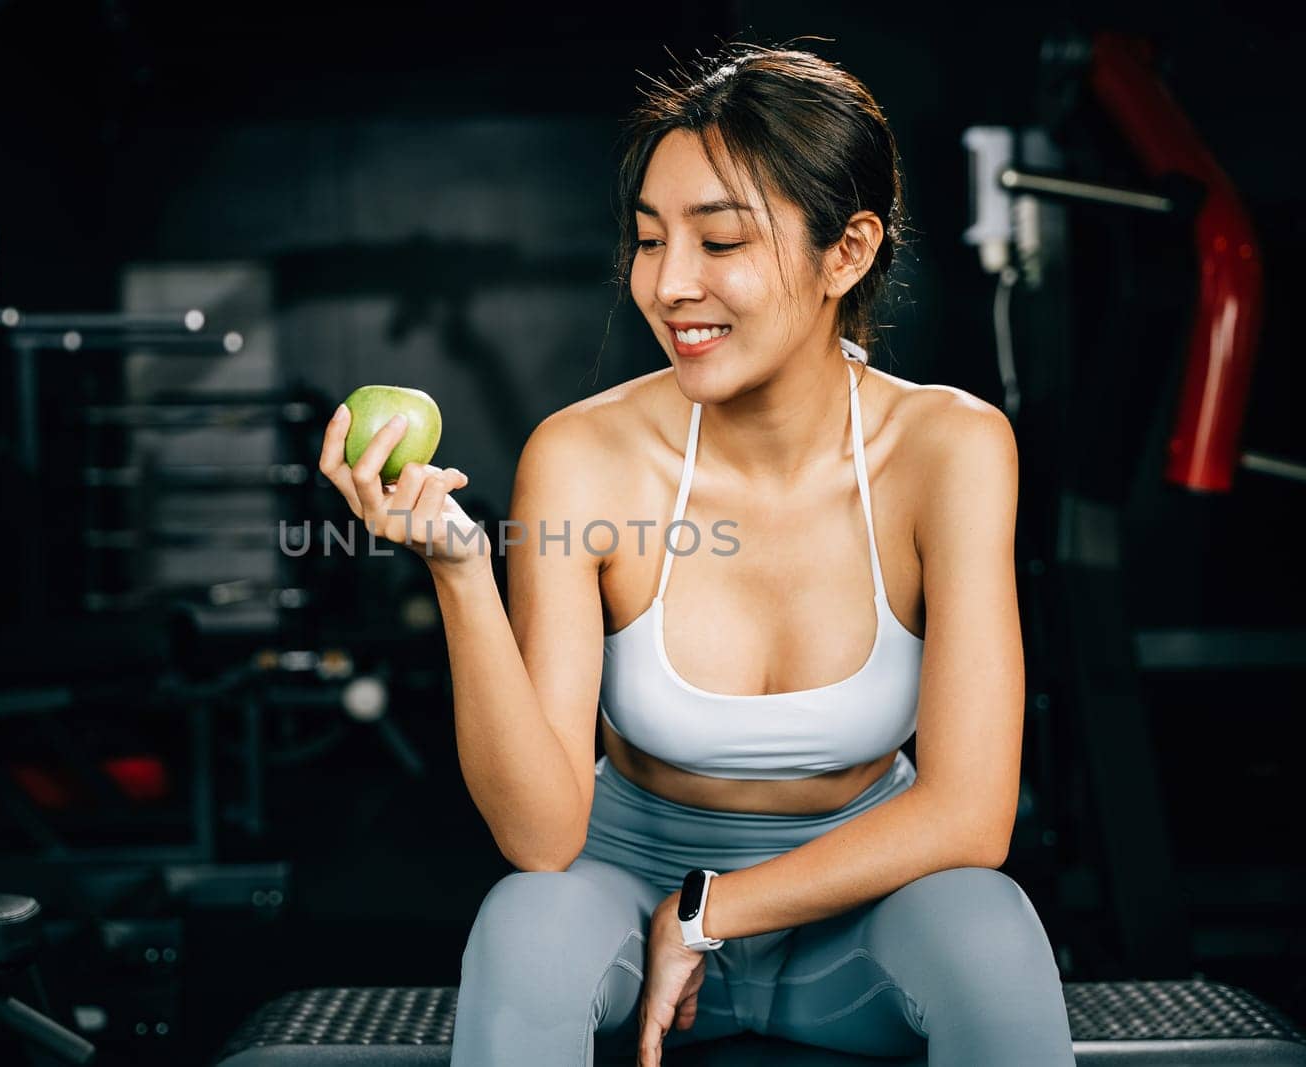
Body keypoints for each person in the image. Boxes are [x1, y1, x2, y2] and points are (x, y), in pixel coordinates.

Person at [317, 40, 1075, 1067]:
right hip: (623, 898)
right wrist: (459, 571)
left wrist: (714, 909)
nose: (670, 284)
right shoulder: (583, 453)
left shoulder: (952, 448)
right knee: (523, 922)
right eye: (647, 239)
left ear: (844, 252)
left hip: (863, 913)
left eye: (719, 241)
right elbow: (542, 836)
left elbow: (971, 813)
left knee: (990, 926)